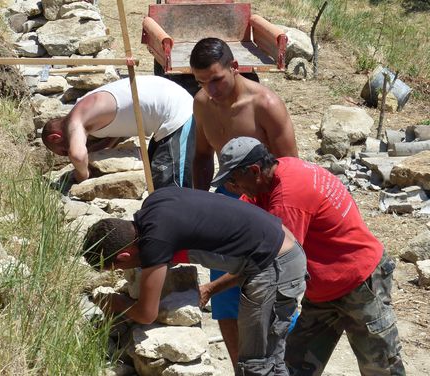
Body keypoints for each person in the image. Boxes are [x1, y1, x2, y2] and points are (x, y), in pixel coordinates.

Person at [208, 136, 406, 376]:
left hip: (360, 284)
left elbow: (273, 266)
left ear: (254, 170)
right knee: (294, 367)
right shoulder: (277, 172)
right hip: (323, 292)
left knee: (381, 367)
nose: (231, 187)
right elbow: (242, 216)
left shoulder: (287, 201)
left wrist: (212, 288)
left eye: (233, 181)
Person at [83, 186, 307, 376]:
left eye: (119, 268)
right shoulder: (155, 202)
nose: (124, 271)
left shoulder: (155, 241)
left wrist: (114, 302)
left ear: (123, 256)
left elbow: (146, 314)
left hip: (277, 265)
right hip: (278, 247)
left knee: (256, 363)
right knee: (272, 358)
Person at [189, 37, 298, 365]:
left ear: (235, 68)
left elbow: (291, 169)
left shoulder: (265, 104)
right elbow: (202, 156)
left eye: (216, 79)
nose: (211, 89)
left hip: (265, 207)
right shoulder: (202, 103)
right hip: (227, 203)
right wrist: (200, 204)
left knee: (271, 295)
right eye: (201, 82)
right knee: (225, 298)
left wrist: (280, 226)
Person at [42, 75, 195, 189]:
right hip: (167, 106)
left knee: (173, 188)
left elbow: (77, 155)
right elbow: (114, 132)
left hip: (177, 113)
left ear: (55, 138)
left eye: (63, 152)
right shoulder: (86, 106)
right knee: (155, 180)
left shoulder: (75, 120)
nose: (67, 154)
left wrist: (82, 175)